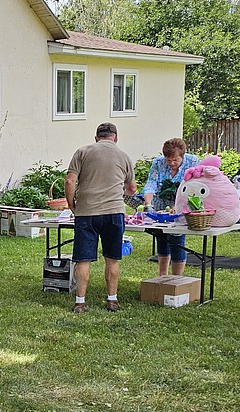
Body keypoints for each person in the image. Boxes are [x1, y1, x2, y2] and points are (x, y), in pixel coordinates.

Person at [65, 122, 136, 313]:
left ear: (96, 137)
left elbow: (70, 180)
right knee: (112, 259)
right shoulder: (124, 156)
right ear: (116, 138)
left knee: (83, 259)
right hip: (114, 212)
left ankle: (80, 302)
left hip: (87, 212)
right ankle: (112, 300)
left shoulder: (83, 152)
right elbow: (132, 189)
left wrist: (72, 204)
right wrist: (118, 195)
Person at [142, 138, 198, 277]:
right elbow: (151, 183)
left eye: (175, 160)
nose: (171, 163)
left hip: (182, 206)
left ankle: (176, 279)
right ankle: (163, 276)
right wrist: (148, 204)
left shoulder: (193, 163)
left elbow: (195, 187)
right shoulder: (157, 163)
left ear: (183, 156)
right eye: (168, 160)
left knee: (177, 240)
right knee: (161, 237)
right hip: (161, 206)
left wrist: (177, 205)